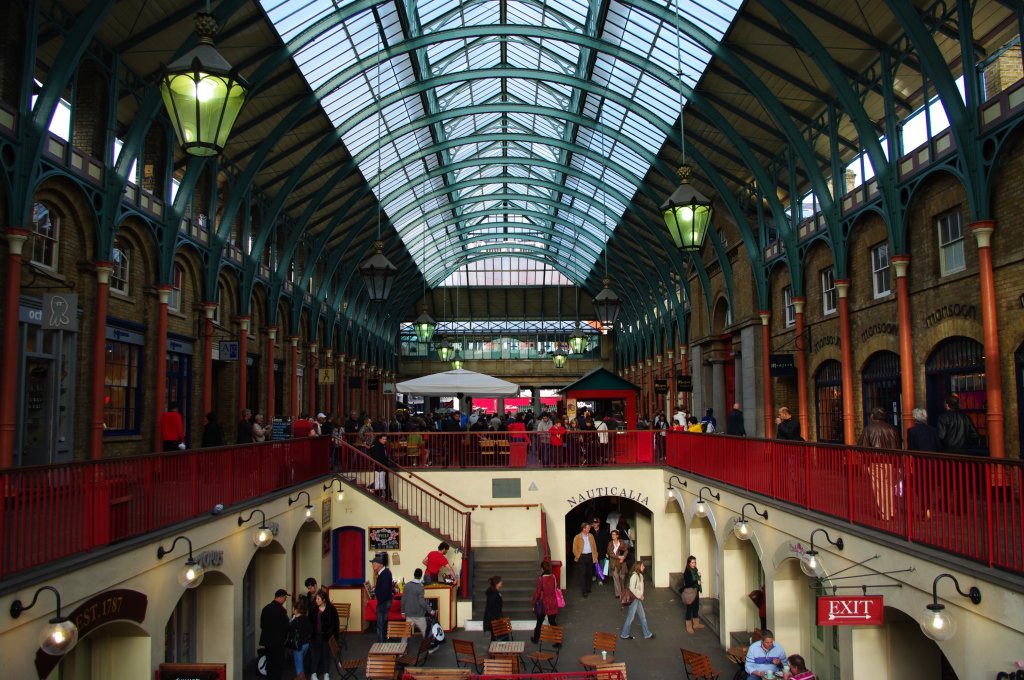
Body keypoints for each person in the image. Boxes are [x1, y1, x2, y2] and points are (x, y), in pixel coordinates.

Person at [307, 589, 340, 680]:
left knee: (326, 654)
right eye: (316, 599)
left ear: (324, 599)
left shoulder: (331, 609)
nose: (316, 600)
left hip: (326, 636)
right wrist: (310, 634)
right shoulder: (313, 609)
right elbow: (309, 623)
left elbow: (335, 623)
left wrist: (332, 634)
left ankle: (326, 673)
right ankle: (313, 674)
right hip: (315, 635)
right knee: (315, 654)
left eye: (318, 599)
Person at [619, 560, 656, 640]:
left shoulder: (639, 575)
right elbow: (631, 588)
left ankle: (647, 634)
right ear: (638, 567)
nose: (644, 567)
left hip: (637, 598)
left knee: (642, 616)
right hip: (634, 599)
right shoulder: (634, 576)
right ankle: (624, 634)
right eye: (642, 566)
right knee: (631, 617)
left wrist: (640, 596)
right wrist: (639, 596)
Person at [259, 588, 290, 680]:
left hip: (267, 641)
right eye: (285, 598)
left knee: (270, 662)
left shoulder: (266, 608)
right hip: (278, 641)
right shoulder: (281, 610)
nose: (285, 600)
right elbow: (286, 627)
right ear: (281, 597)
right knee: (278, 664)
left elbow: (262, 625)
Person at [530, 560, 560, 643]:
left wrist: (533, 602)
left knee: (539, 622)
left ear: (542, 569)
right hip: (553, 601)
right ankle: (558, 642)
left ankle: (536, 639)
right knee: (553, 622)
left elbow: (538, 592)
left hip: (544, 603)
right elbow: (555, 588)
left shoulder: (541, 579)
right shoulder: (553, 577)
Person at [402, 568, 432, 639]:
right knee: (425, 632)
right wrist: (430, 610)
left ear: (414, 574)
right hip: (419, 615)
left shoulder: (406, 586)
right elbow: (422, 602)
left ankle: (402, 646)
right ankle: (428, 647)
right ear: (421, 576)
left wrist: (403, 611)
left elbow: (403, 600)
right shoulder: (420, 587)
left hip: (409, 614)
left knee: (406, 633)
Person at [370, 555, 394, 643]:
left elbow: (384, 590)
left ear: (379, 564)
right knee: (382, 624)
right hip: (385, 601)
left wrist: (376, 592)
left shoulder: (384, 574)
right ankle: (382, 642)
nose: (372, 566)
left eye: (373, 564)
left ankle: (381, 644)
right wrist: (376, 588)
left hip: (383, 603)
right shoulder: (385, 573)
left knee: (381, 624)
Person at [572, 521, 598, 597]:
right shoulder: (577, 537)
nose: (589, 529)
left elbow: (594, 547)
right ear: (583, 529)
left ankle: (588, 588)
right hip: (582, 557)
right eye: (588, 528)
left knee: (589, 573)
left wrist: (595, 556)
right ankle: (584, 591)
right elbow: (574, 549)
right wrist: (578, 556)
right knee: (583, 574)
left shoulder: (591, 536)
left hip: (590, 556)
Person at [290, 600, 312, 680]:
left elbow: (291, 633)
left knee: (299, 667)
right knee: (303, 661)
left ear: (296, 610)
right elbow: (310, 630)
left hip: (298, 645)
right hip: (306, 644)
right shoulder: (306, 619)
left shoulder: (294, 622)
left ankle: (301, 677)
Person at [682, 555, 704, 634]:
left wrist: (699, 575)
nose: (694, 564)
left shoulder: (695, 570)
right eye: (692, 562)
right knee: (689, 608)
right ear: (689, 563)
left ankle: (696, 623)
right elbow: (688, 583)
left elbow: (696, 578)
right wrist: (696, 582)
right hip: (690, 592)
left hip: (696, 590)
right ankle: (689, 626)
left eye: (695, 562)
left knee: (696, 606)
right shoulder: (687, 572)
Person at [607, 529, 630, 598]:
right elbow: (610, 553)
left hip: (622, 562)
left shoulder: (622, 542)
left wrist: (623, 557)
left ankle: (622, 591)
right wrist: (618, 557)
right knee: (616, 577)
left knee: (622, 577)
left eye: (614, 534)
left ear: (617, 535)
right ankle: (618, 594)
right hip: (613, 563)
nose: (612, 536)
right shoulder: (610, 543)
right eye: (612, 534)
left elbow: (626, 550)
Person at [482, 575, 506, 640]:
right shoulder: (494, 594)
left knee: (494, 636)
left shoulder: (492, 592)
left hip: (492, 618)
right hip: (494, 618)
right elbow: (494, 608)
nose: (501, 584)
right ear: (497, 584)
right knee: (499, 636)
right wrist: (500, 618)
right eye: (500, 583)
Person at [367, 433, 390, 499]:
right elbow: (377, 457)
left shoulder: (381, 446)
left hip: (382, 466)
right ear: (379, 439)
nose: (385, 440)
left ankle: (381, 495)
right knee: (380, 481)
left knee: (381, 481)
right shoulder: (378, 447)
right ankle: (379, 494)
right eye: (383, 439)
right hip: (380, 467)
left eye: (385, 439)